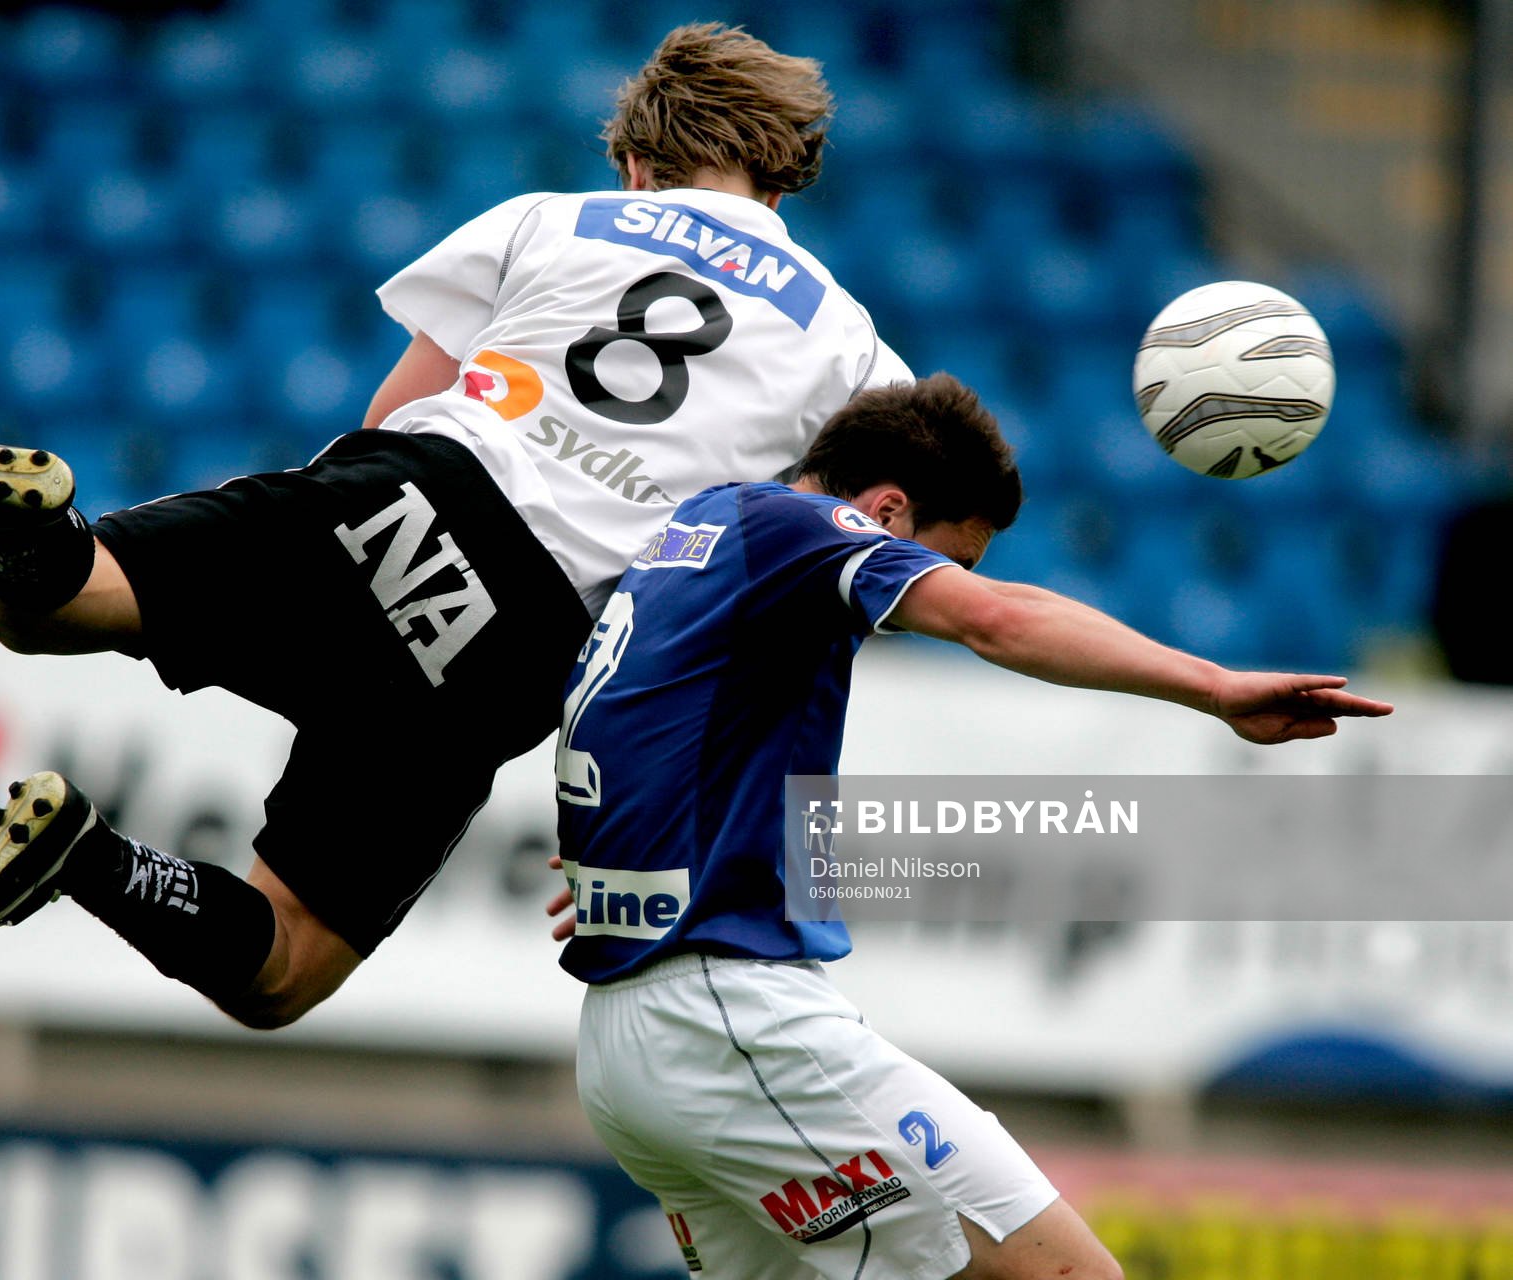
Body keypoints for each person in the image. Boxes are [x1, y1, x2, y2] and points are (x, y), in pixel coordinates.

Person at [0, 24, 917, 1029]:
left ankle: (31, 524)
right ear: (784, 170)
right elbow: (833, 559)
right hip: (521, 637)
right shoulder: (848, 347)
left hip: (406, 489)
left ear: (635, 159)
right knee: (286, 962)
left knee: (39, 598)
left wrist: (318, 570)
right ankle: (87, 858)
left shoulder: (548, 217)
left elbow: (388, 412)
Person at [541, 374, 1392, 1279]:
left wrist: (631, 854)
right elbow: (997, 620)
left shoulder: (699, 532)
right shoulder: (795, 532)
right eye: (949, 557)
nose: (939, 588)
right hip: (729, 1020)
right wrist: (1213, 687)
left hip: (629, 1045)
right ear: (884, 511)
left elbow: (639, 714)